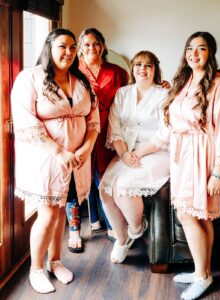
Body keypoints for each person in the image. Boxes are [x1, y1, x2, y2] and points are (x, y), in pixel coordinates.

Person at [11, 28, 100, 293]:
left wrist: (87, 147)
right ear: (49, 46)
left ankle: (56, 261)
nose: (69, 52)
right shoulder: (30, 78)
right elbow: (27, 123)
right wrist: (59, 152)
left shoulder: (81, 80)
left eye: (73, 47)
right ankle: (35, 269)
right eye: (63, 46)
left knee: (62, 209)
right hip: (46, 159)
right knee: (48, 212)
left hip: (77, 160)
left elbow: (93, 120)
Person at [163, 31, 220, 300]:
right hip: (183, 156)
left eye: (201, 48)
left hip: (203, 158)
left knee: (189, 215)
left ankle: (202, 276)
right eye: (190, 48)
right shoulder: (185, 81)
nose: (194, 53)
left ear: (211, 53)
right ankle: (202, 272)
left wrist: (218, 173)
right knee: (199, 215)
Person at [99, 50, 170, 264]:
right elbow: (115, 127)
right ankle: (122, 239)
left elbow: (165, 133)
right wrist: (123, 153)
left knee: (124, 186)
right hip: (126, 149)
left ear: (155, 69)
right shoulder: (123, 93)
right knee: (105, 189)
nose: (143, 69)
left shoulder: (164, 94)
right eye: (139, 64)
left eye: (149, 65)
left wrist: (138, 153)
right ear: (133, 69)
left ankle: (137, 228)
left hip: (156, 151)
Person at [65, 27, 129, 251]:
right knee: (75, 178)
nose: (92, 47)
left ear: (102, 45)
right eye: (87, 44)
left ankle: (112, 223)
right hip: (80, 133)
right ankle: (75, 230)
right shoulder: (72, 72)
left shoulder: (118, 72)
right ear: (80, 49)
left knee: (106, 178)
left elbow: (130, 100)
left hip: (108, 132)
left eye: (96, 43)